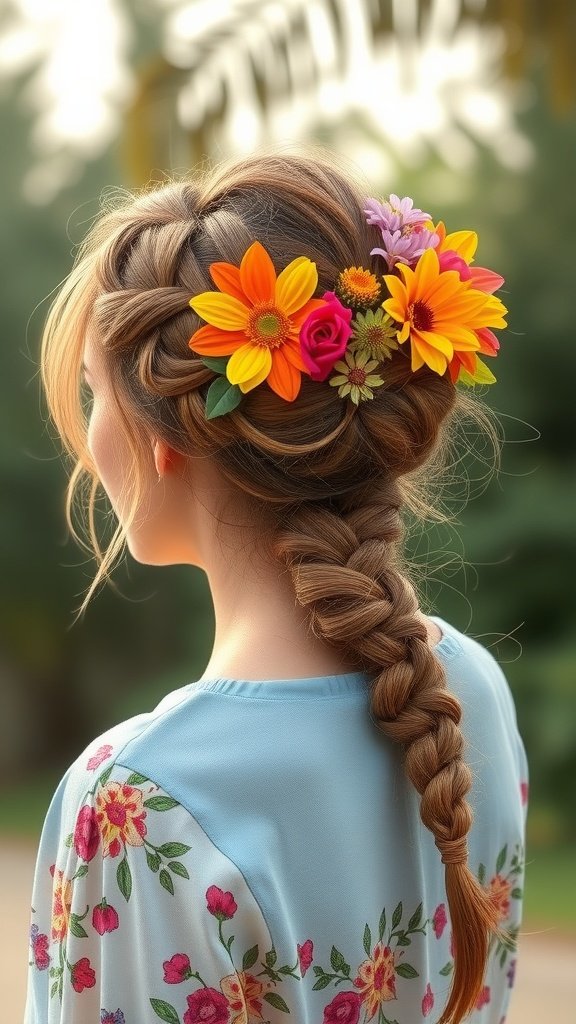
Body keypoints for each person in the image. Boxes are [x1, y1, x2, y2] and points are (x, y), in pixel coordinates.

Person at [25, 150, 528, 1024]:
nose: (86, 438)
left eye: (92, 395)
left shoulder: (140, 804)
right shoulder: (467, 685)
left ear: (164, 436)